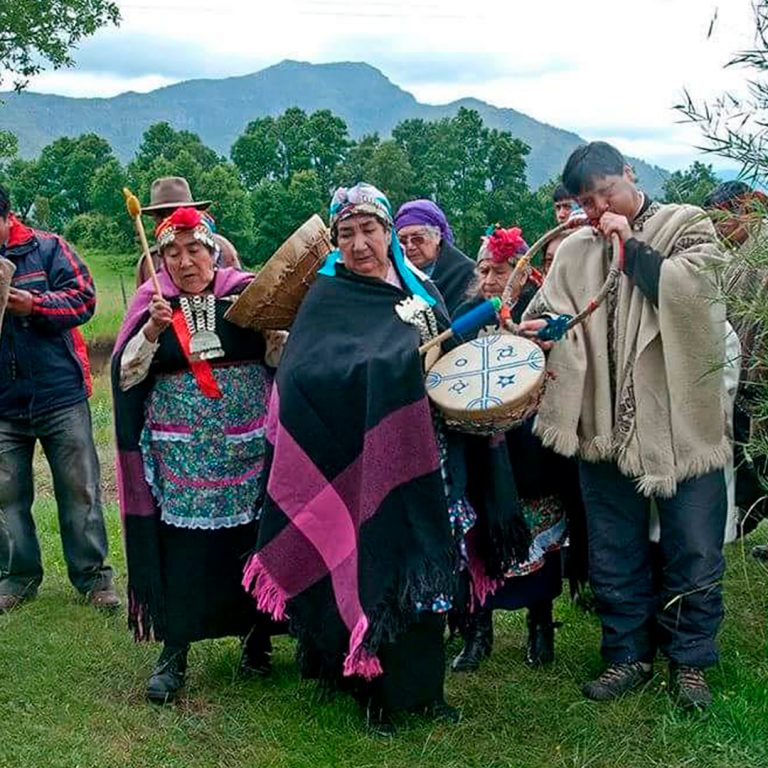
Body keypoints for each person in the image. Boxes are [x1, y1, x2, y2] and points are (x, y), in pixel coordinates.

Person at [243, 183, 528, 736]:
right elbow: (304, 377)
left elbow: (448, 358)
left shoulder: (421, 289)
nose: (359, 244)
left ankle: (425, 690)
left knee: (426, 568)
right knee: (372, 565)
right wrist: (388, 371)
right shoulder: (328, 298)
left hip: (431, 458)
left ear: (387, 233)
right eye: (346, 234)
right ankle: (372, 689)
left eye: (369, 230)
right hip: (358, 464)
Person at [520, 141, 731, 711]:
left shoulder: (686, 225)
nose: (595, 210)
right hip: (602, 423)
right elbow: (548, 310)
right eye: (585, 203)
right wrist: (540, 329)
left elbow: (698, 297)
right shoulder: (572, 252)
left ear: (629, 174)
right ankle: (626, 656)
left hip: (682, 421)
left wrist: (628, 243)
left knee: (695, 546)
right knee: (615, 548)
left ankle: (690, 662)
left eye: (604, 193)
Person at [112, 206, 275, 704]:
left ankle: (258, 639)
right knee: (183, 550)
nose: (185, 262)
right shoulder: (152, 303)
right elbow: (126, 376)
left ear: (213, 250)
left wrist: (275, 330)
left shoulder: (247, 292)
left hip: (246, 454)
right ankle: (174, 653)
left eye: (194, 250)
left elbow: (280, 358)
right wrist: (154, 333)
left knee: (252, 541)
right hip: (181, 462)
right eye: (173, 254)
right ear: (161, 261)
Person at [449, 226, 569, 672]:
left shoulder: (541, 314)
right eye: (482, 269)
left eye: (499, 269)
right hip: (480, 449)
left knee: (539, 536)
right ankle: (477, 633)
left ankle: (541, 629)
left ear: (522, 271)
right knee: (478, 538)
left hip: (530, 450)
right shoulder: (464, 315)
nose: (489, 279)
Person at [0, 184, 119, 614]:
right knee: (6, 494)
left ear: (7, 216)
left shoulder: (48, 249)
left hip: (60, 393)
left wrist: (33, 304)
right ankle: (17, 577)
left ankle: (93, 578)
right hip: (3, 402)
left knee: (80, 490)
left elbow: (84, 300)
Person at [135, 177, 240, 287]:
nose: (170, 220)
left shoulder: (224, 249)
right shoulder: (150, 260)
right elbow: (143, 301)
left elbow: (242, 295)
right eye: (161, 215)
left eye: (176, 212)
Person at [394, 199, 475, 316]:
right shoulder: (395, 273)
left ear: (437, 236)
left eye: (418, 239)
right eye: (402, 241)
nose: (410, 246)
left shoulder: (465, 272)